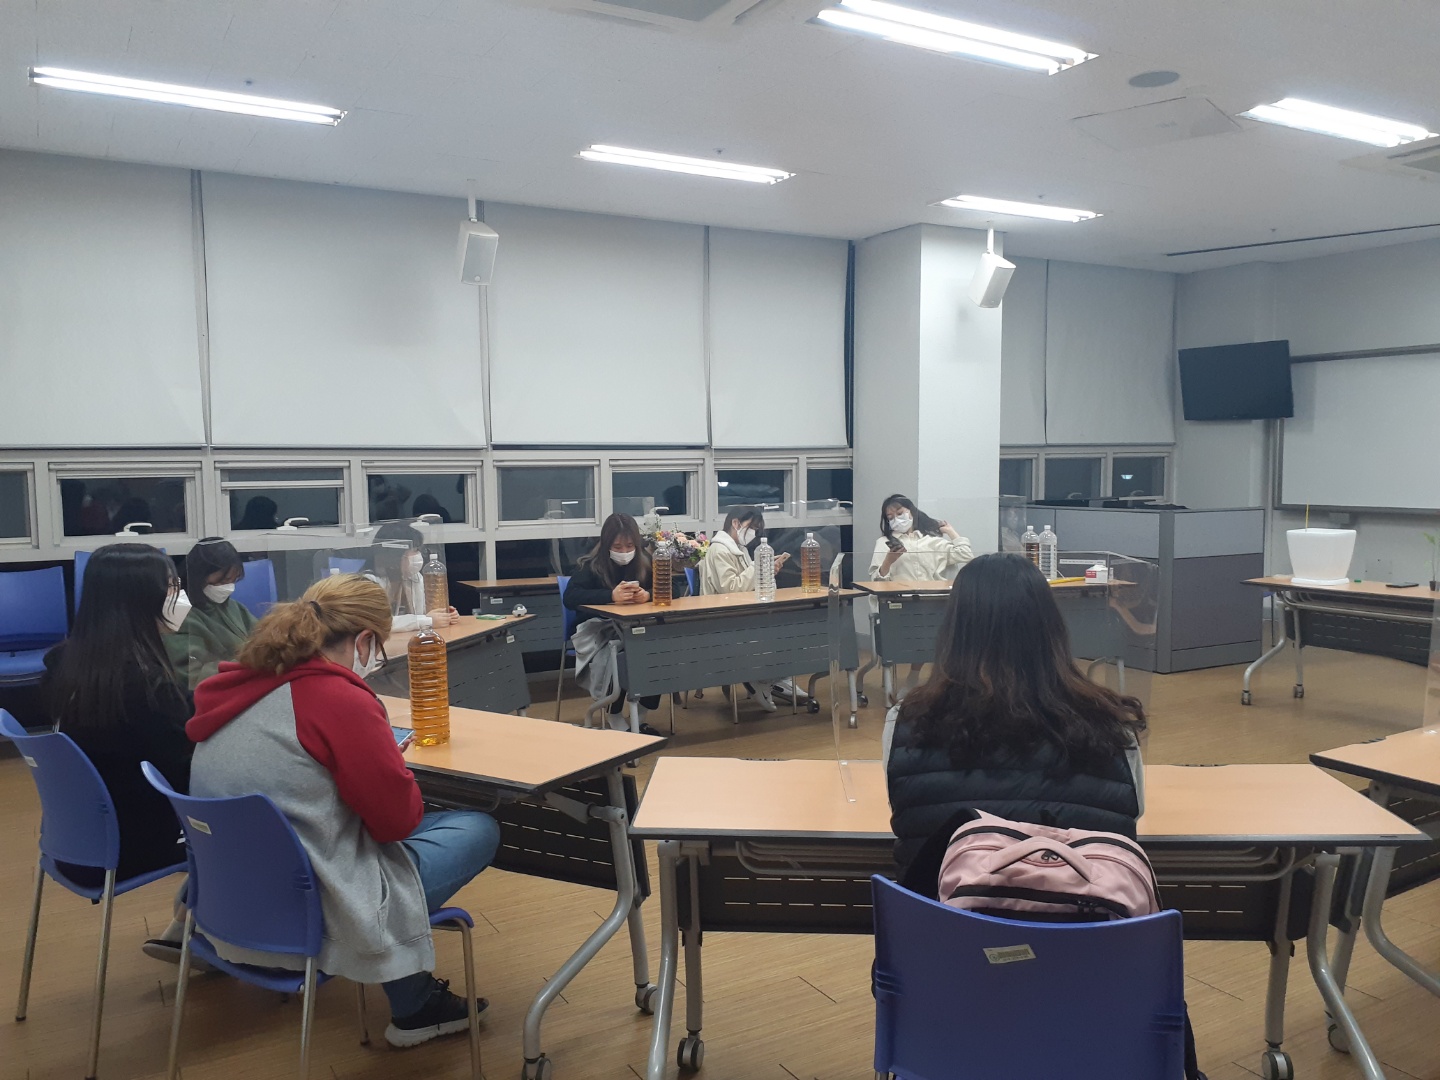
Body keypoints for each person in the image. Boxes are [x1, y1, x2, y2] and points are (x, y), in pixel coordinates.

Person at [187, 573, 500, 1048]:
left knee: (387, 832)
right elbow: (396, 824)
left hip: (229, 896)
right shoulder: (337, 697)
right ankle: (416, 1007)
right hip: (307, 903)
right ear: (366, 640)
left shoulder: (238, 686)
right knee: (476, 827)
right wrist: (390, 763)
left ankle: (412, 995)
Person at [884, 552, 1146, 877]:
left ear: (953, 629)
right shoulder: (1111, 722)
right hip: (1079, 907)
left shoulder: (907, 721)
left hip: (943, 907)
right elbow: (1129, 818)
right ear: (1052, 627)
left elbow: (906, 812)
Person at [39, 543, 196, 962]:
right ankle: (226, 936)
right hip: (133, 839)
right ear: (140, 598)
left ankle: (187, 927)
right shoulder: (144, 685)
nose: (180, 597)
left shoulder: (68, 665)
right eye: (172, 586)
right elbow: (186, 776)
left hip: (78, 836)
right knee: (253, 816)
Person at [696, 506, 804, 711]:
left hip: (744, 613)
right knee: (778, 632)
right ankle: (763, 679)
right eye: (751, 527)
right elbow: (731, 588)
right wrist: (758, 566)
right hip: (725, 619)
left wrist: (767, 570)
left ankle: (774, 679)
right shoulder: (720, 550)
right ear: (735, 523)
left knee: (788, 626)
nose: (753, 533)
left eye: (756, 529)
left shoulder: (740, 549)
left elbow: (750, 584)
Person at [563, 513, 662, 734]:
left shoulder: (645, 561)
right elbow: (570, 597)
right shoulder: (590, 566)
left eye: (629, 546)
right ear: (606, 544)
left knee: (656, 647)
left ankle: (641, 716)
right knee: (619, 651)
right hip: (599, 629)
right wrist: (610, 596)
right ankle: (614, 713)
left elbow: (671, 588)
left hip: (636, 628)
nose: (624, 551)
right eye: (617, 546)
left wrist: (648, 595)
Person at [165, 537, 259, 689]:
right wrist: (249, 663)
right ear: (199, 575)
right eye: (222, 581)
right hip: (217, 692)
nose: (228, 588)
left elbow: (263, 637)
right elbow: (192, 676)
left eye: (233, 581)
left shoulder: (233, 607)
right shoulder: (178, 614)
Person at [369, 521, 459, 633]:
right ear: (394, 555)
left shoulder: (414, 578)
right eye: (414, 550)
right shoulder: (369, 583)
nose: (418, 555)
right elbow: (377, 622)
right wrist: (426, 620)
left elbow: (423, 612)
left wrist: (444, 614)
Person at [868, 495, 973, 582]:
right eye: (891, 517)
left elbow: (966, 555)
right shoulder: (884, 543)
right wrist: (888, 561)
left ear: (912, 511)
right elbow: (876, 582)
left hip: (934, 597)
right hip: (900, 598)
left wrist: (950, 531)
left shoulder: (933, 541)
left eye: (900, 513)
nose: (896, 519)